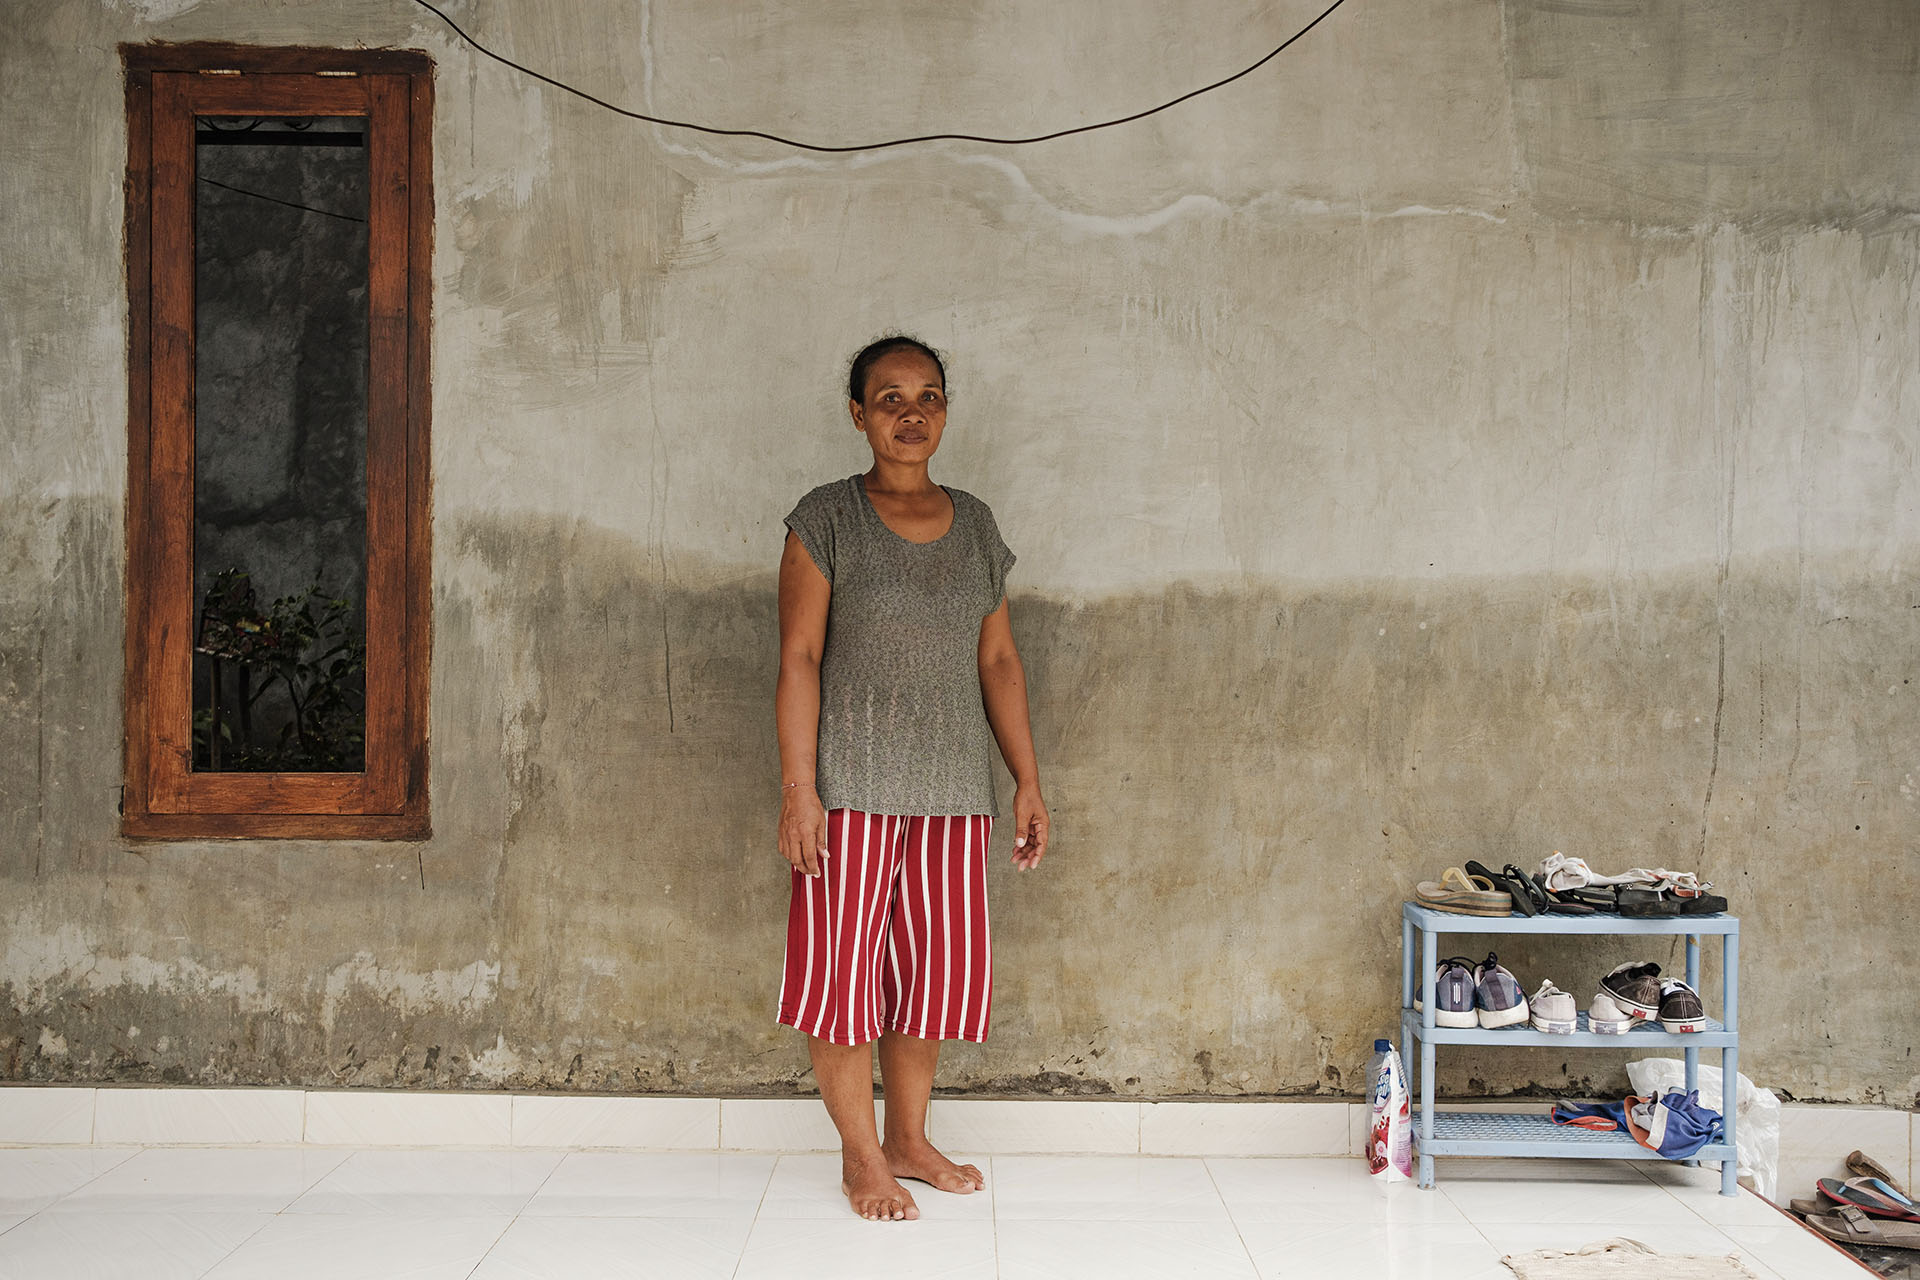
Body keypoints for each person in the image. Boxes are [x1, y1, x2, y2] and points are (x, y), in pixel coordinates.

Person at [774, 336, 1050, 1222]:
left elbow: (999, 660)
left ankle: (908, 1137)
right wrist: (798, 790)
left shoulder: (976, 524)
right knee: (842, 978)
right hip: (848, 789)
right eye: (889, 397)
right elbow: (799, 656)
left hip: (952, 792)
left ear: (944, 412)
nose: (910, 412)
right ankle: (862, 1156)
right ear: (858, 414)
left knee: (931, 979)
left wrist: (1027, 782)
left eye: (927, 395)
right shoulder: (826, 519)